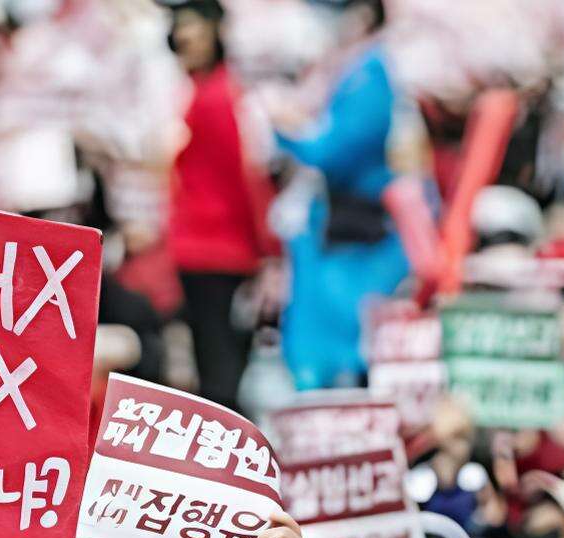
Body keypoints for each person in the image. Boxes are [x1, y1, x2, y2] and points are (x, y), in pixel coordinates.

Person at [270, 0, 408, 388]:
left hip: (354, 234)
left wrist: (287, 130)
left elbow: (335, 151)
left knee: (341, 346)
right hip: (339, 226)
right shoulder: (352, 69)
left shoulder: (371, 73)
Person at [162, 0, 274, 411]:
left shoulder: (217, 98)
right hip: (207, 247)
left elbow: (244, 178)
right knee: (215, 364)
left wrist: (266, 249)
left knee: (219, 371)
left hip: (217, 249)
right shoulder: (206, 93)